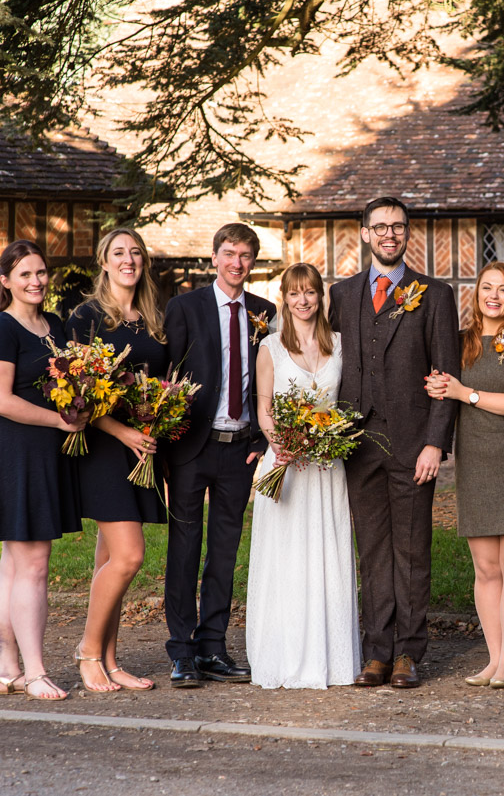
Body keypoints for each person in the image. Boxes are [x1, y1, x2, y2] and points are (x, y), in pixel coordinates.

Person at [328, 196, 460, 688]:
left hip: (412, 444)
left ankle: (408, 652)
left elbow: (445, 374)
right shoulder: (342, 295)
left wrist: (435, 443)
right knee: (373, 551)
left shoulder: (436, 295)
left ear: (408, 234)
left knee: (412, 550)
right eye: (379, 227)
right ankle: (376, 651)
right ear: (364, 234)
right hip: (357, 445)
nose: (389, 235)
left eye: (398, 227)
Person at [424, 262, 504, 688]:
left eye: (502, 289)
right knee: (486, 568)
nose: (493, 296)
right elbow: (436, 386)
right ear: (475, 294)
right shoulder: (460, 342)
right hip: (476, 461)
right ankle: (492, 660)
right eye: (486, 288)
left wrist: (465, 393)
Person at [0, 239, 85, 701]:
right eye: (25, 275)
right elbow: (0, 401)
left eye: (40, 273)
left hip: (46, 452)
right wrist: (58, 419)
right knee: (32, 565)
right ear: (6, 281)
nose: (36, 281)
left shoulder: (54, 325)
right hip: (17, 453)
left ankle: (7, 669)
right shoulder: (3, 329)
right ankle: (36, 672)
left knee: (14, 566)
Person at [163, 223, 277, 688]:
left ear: (252, 262)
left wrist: (262, 442)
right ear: (214, 258)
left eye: (246, 255)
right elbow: (166, 374)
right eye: (229, 253)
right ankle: (181, 651)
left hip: (240, 450)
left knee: (225, 553)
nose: (237, 263)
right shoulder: (184, 307)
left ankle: (213, 647)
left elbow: (274, 382)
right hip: (193, 446)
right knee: (185, 548)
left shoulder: (265, 312)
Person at [245, 263, 361, 688]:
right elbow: (264, 410)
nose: (304, 300)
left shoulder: (343, 346)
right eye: (295, 293)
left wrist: (329, 438)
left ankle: (329, 660)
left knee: (327, 557)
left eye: (310, 292)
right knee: (287, 562)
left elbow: (348, 404)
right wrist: (282, 444)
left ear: (320, 297)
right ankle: (285, 655)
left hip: (327, 468)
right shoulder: (270, 348)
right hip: (286, 465)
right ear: (285, 298)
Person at [65, 228, 168, 693]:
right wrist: (123, 430)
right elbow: (78, 396)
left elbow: (160, 379)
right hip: (106, 449)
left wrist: (159, 417)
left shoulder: (152, 317)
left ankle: (109, 659)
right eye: (119, 253)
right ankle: (87, 652)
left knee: (110, 559)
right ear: (104, 262)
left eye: (136, 253)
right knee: (128, 557)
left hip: (141, 448)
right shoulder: (86, 318)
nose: (129, 260)